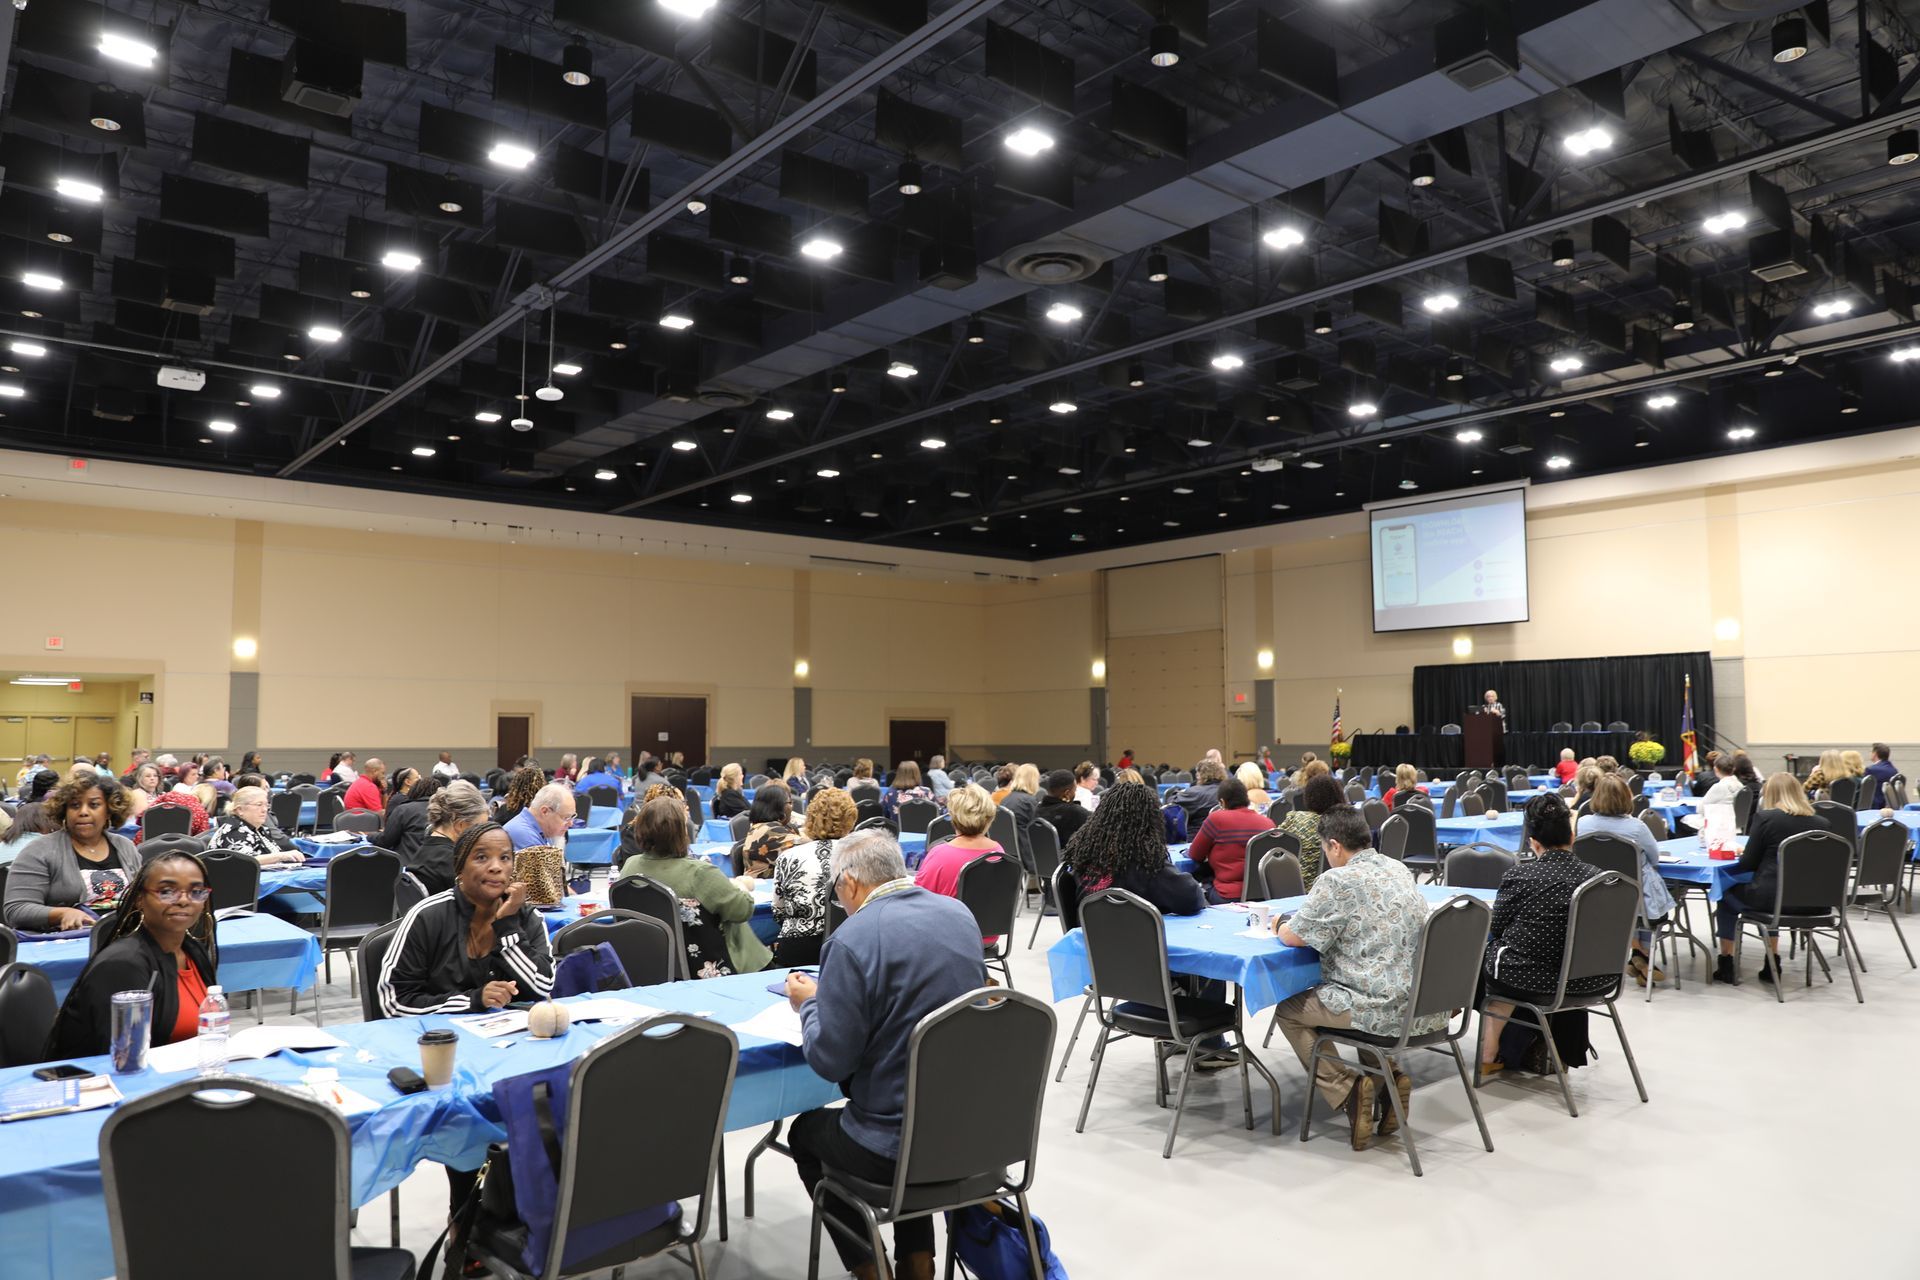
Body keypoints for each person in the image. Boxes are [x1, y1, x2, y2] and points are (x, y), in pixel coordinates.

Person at [785, 830, 985, 1280]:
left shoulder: (852, 939)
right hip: (969, 1129)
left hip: (891, 1146)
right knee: (912, 1102)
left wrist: (810, 1004)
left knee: (805, 1133)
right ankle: (918, 1262)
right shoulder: (959, 914)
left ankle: (870, 1269)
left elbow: (830, 1061)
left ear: (849, 882)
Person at [376, 821, 555, 1216]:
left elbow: (542, 985)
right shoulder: (428, 916)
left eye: (505, 858)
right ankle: (467, 1218)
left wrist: (507, 927)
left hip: (509, 1053)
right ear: (459, 867)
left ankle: (529, 1216)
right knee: (467, 1116)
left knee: (555, 1097)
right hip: (441, 1057)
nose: (496, 867)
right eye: (482, 857)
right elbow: (394, 1000)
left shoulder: (525, 917)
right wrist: (471, 1000)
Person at [1269, 805, 1435, 1149]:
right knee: (1362, 994)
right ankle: (1389, 1079)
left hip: (1373, 1009)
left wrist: (1279, 924)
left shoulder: (1337, 880)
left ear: (1334, 845)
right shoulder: (1398, 868)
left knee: (1289, 1011)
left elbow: (1295, 937)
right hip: (1419, 1004)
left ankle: (1347, 1089)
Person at [1477, 795, 1608, 1078]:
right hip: (1595, 979)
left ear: (1533, 843)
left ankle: (1488, 1052)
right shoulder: (1598, 878)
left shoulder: (1520, 876)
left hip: (1537, 981)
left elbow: (1496, 927)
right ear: (1572, 837)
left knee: (1490, 960)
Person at [45, 850, 219, 1059]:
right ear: (139, 899)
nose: (184, 900)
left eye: (197, 892)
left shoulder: (194, 951)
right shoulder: (123, 965)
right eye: (166, 891)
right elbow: (121, 1059)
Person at [618, 795, 770, 974]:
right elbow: (742, 911)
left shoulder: (630, 867)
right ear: (681, 832)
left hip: (654, 967)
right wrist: (742, 886)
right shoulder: (700, 873)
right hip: (709, 966)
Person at [1711, 772, 1829, 985]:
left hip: (1772, 901)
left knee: (1725, 893)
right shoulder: (1823, 824)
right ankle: (1772, 960)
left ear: (1770, 794)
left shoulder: (1766, 819)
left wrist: (1743, 852)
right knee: (1775, 889)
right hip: (1815, 902)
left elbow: (1747, 864)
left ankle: (1726, 961)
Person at [3, 774, 142, 931]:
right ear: (64, 811)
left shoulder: (125, 846)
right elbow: (16, 909)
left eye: (94, 805)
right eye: (75, 806)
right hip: (67, 939)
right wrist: (62, 913)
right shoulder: (39, 850)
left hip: (125, 935)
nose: (83, 812)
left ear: (109, 811)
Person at [1575, 774, 1674, 986]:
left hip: (1596, 899)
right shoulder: (1636, 827)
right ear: (1626, 798)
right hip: (1637, 901)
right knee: (1646, 899)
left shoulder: (1582, 824)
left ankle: (1637, 955)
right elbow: (1655, 858)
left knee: (1628, 901)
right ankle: (1643, 956)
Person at [1060, 781, 1204, 917]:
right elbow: (1192, 898)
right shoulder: (1146, 864)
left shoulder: (1082, 855)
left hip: (1089, 933)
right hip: (1140, 934)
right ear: (1151, 821)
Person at [770, 787, 858, 966]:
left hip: (798, 949)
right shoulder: (861, 856)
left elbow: (779, 911)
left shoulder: (787, 857)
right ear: (850, 820)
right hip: (850, 945)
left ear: (810, 819)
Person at [913, 784, 1007, 942]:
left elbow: (918, 900)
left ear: (953, 816)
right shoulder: (999, 852)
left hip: (948, 939)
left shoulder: (939, 853)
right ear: (989, 817)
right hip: (988, 937)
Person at [1188, 776, 1273, 903]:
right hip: (1264, 895)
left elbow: (1195, 855)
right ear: (1246, 799)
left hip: (1227, 896)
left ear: (1222, 802)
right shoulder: (1268, 823)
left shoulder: (1216, 819)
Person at [411, 779, 488, 894]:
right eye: (479, 828)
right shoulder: (454, 862)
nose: (482, 835)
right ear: (461, 825)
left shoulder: (427, 848)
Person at [204, 785, 302, 865]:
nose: (264, 810)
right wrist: (282, 856)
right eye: (259, 805)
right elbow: (246, 860)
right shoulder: (234, 830)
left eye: (266, 805)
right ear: (240, 810)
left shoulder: (260, 829)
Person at [1278, 773, 1346, 887]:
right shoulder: (1345, 824)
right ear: (1338, 795)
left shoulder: (1295, 818)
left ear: (1308, 797)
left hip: (1297, 887)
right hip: (1334, 886)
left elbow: (1273, 843)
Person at [741, 781, 803, 879]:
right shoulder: (767, 830)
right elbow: (806, 847)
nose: (792, 807)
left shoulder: (773, 826)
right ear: (777, 806)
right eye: (789, 803)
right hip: (763, 885)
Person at [371, 774, 436, 864]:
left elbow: (386, 840)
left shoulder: (403, 809)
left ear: (416, 790)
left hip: (407, 865)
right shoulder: (446, 812)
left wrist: (370, 836)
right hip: (436, 865)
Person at [502, 782, 575, 852]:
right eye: (566, 818)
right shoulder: (527, 838)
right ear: (545, 811)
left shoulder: (540, 830)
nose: (571, 824)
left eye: (572, 816)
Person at [997, 763, 1042, 871]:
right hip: (1027, 856)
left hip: (1007, 854)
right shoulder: (1029, 802)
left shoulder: (1005, 800)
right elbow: (1039, 831)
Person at [1036, 769, 1092, 845]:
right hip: (1067, 852)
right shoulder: (1074, 812)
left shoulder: (1037, 809)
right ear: (1067, 793)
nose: (1075, 793)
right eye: (1075, 790)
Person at [1171, 759, 1226, 824]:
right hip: (1225, 829)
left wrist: (1176, 792)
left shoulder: (1195, 792)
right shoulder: (1229, 790)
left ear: (1199, 775)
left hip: (1199, 829)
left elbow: (1172, 804)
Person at [1863, 743, 1898, 808]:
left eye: (1871, 752)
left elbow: (1863, 791)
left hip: (1874, 807)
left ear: (1875, 754)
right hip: (1889, 806)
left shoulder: (1871, 770)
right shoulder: (1894, 770)